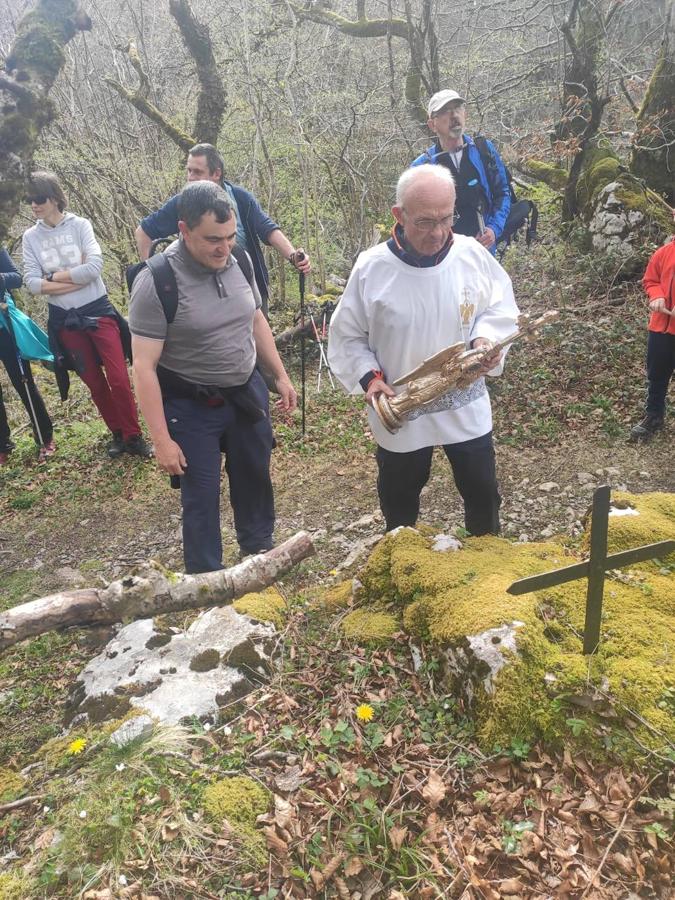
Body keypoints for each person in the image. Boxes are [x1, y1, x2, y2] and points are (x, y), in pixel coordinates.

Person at [327, 164, 519, 535]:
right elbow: (348, 335)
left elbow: (499, 307)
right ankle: (400, 561)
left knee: (482, 492)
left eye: (447, 219)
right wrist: (369, 379)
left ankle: (487, 567)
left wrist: (485, 340)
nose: (438, 232)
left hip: (463, 401)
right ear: (399, 215)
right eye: (425, 222)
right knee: (399, 500)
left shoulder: (470, 255)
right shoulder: (372, 268)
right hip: (403, 406)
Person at [129, 180, 297, 573]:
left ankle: (258, 553)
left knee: (254, 473)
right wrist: (161, 441)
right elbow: (144, 368)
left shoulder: (240, 258)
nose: (223, 248)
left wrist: (280, 376)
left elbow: (256, 318)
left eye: (229, 236)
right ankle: (206, 578)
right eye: (211, 240)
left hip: (245, 390)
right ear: (183, 230)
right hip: (191, 403)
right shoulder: (156, 281)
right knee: (201, 493)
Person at [21, 172, 152, 459]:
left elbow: (94, 269)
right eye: (29, 199)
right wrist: (73, 278)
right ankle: (117, 433)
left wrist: (52, 277)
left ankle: (134, 436)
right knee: (94, 382)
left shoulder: (80, 225)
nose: (33, 205)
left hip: (98, 312)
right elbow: (31, 283)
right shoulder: (30, 237)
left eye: (39, 198)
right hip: (64, 320)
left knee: (118, 377)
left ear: (54, 197)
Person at [134, 143, 310, 315]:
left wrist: (293, 256)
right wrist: (156, 278)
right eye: (189, 170)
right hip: (202, 293)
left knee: (256, 338)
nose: (190, 177)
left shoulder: (240, 198)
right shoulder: (182, 204)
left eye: (197, 172)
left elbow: (268, 229)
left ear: (216, 173)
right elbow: (143, 232)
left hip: (248, 283)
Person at [411, 90, 511, 256]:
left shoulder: (483, 150)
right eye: (444, 111)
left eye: (457, 108)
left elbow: (502, 194)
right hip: (443, 258)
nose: (453, 115)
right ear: (432, 124)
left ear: (465, 114)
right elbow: (414, 220)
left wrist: (493, 229)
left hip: (483, 252)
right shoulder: (422, 167)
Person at [0, 247, 55, 464]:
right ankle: (3, 444)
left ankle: (45, 437)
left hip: (5, 326)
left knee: (23, 381)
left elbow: (16, 278)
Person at [629, 213, 675, 440]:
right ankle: (654, 415)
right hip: (660, 328)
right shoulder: (664, 252)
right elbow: (651, 280)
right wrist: (656, 296)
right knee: (657, 373)